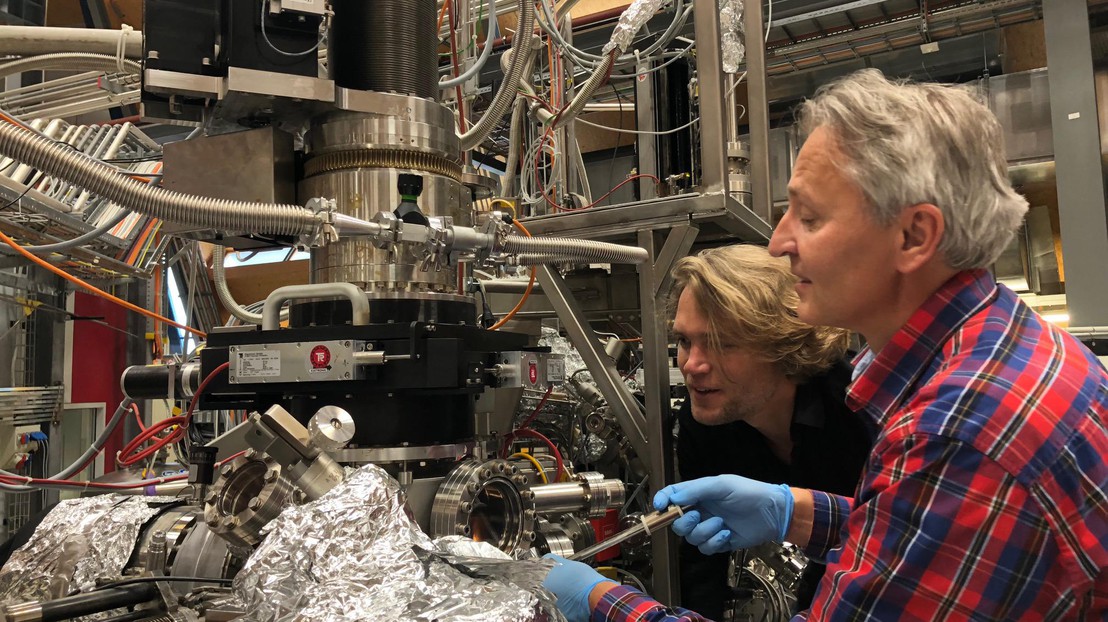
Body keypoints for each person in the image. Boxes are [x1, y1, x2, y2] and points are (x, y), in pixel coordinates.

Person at [542, 68, 1108, 621]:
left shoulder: (954, 433)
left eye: (808, 216)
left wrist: (603, 603)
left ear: (913, 235)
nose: (781, 241)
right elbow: (917, 532)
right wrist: (800, 513)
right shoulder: (1006, 349)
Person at [668, 244, 872, 618]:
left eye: (721, 343)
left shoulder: (859, 410)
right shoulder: (704, 421)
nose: (691, 365)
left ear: (780, 341)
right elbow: (701, 567)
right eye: (684, 341)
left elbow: (887, 553)